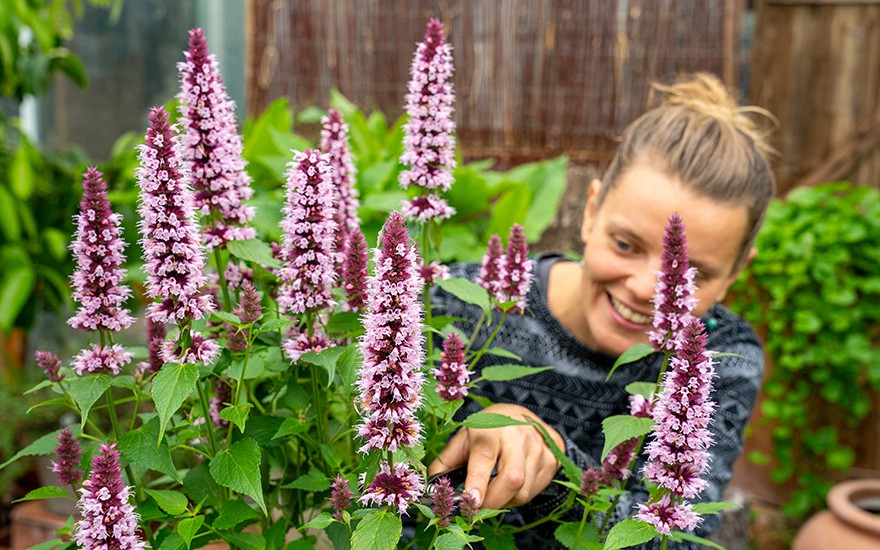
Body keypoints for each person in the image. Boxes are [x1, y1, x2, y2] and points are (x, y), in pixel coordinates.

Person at [427, 72, 776, 546]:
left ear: (736, 272)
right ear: (590, 212)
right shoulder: (459, 305)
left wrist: (553, 462)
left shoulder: (721, 356)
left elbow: (678, 539)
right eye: (626, 244)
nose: (647, 289)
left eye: (692, 273)